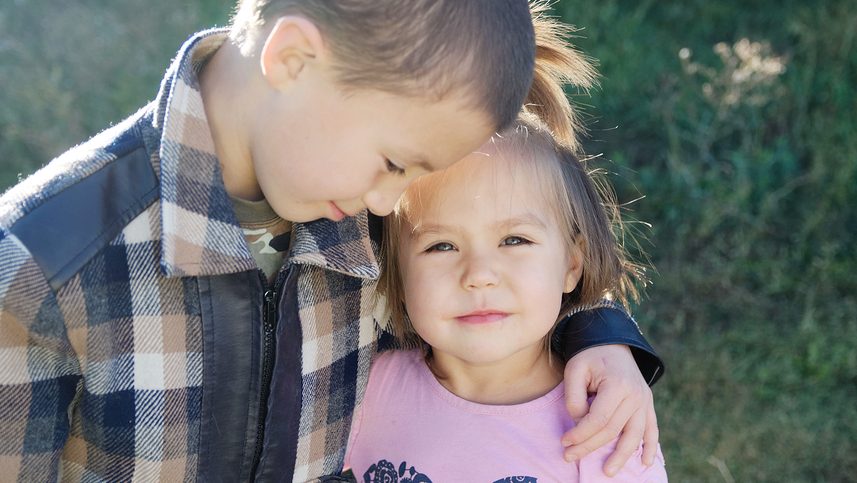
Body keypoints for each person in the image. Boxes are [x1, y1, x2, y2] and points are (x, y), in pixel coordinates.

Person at [0, 1, 662, 481]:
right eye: (393, 163)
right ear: (292, 57)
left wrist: (597, 329)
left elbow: (514, 241)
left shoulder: (348, 196)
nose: (387, 203)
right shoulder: (42, 263)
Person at [344, 105, 668, 481]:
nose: (479, 276)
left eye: (514, 240)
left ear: (571, 266)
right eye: (441, 246)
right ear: (398, 276)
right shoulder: (365, 389)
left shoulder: (605, 423)